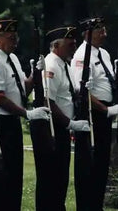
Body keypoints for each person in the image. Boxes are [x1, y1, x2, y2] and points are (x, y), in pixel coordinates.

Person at [0, 18, 49, 211]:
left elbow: (21, 91)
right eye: (11, 38)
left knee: (14, 176)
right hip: (0, 123)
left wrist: (33, 74)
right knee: (2, 177)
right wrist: (26, 113)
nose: (15, 41)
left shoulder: (10, 57)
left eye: (16, 37)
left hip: (12, 121)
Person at [71, 17, 118, 211]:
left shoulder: (103, 53)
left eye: (104, 30)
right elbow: (81, 91)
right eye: (99, 31)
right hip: (92, 113)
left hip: (105, 112)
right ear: (88, 33)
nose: (104, 34)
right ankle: (87, 206)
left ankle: (97, 205)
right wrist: (105, 109)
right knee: (89, 164)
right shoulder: (81, 56)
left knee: (102, 164)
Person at [31, 25, 90, 211]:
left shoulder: (64, 64)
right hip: (50, 127)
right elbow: (48, 101)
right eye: (70, 44)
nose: (74, 47)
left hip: (62, 127)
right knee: (50, 177)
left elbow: (68, 93)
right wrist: (70, 123)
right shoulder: (51, 65)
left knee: (61, 176)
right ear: (56, 46)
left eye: (74, 43)